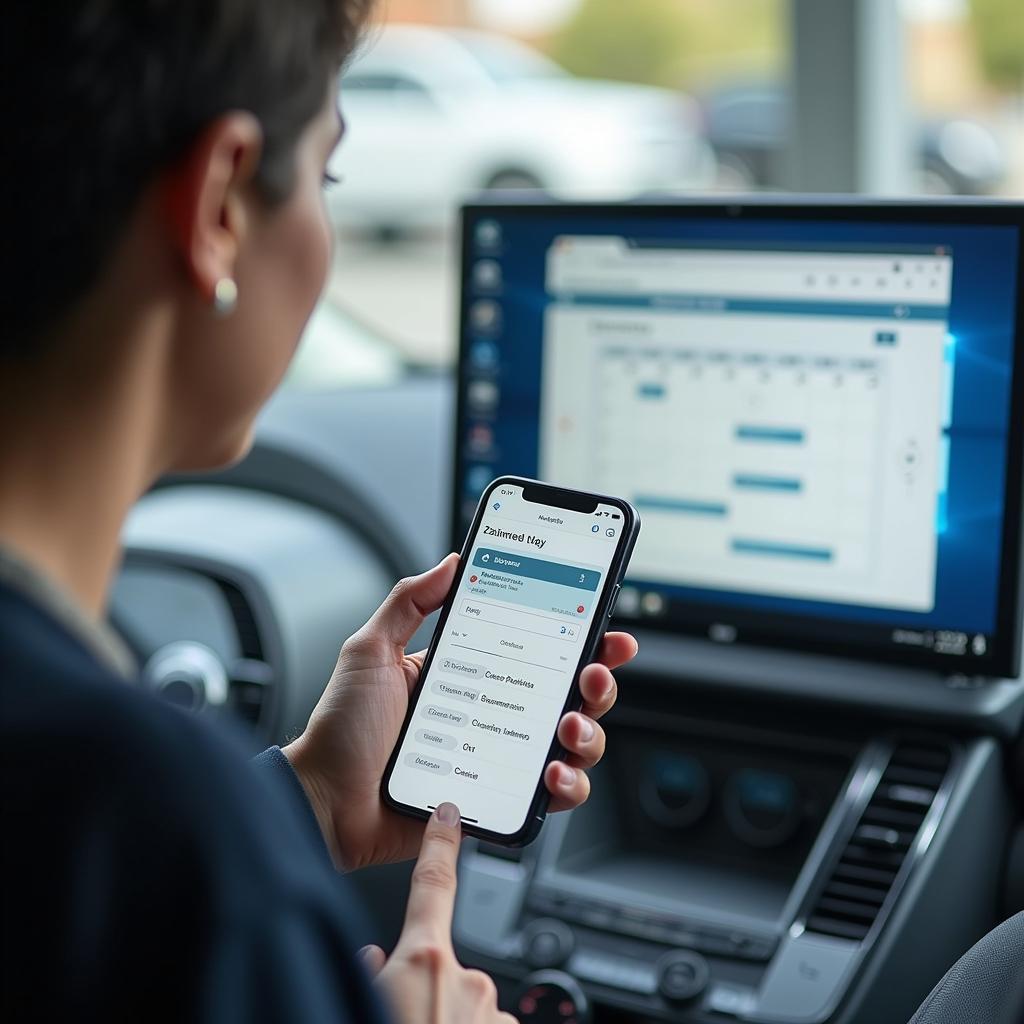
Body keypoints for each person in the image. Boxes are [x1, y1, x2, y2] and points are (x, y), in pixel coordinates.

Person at [0, 3, 638, 1022]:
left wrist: (307, 798)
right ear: (219, 203)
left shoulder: (128, 819)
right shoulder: (148, 821)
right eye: (328, 179)